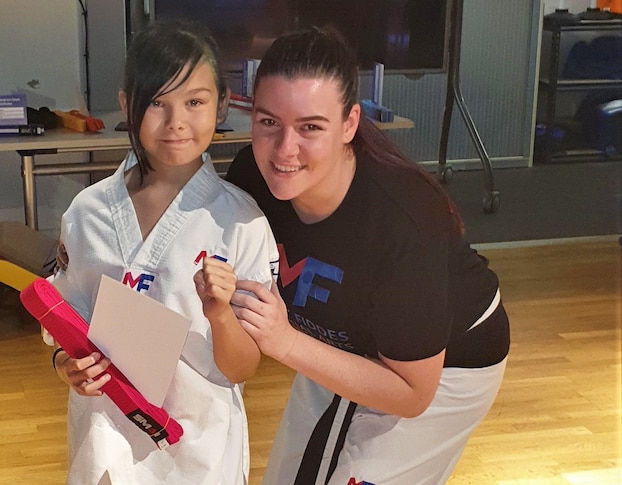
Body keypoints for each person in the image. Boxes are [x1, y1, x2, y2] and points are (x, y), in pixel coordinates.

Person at [225, 26, 510, 485]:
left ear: (350, 124)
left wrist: (285, 341)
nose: (284, 150)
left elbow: (412, 393)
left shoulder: (405, 223)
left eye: (310, 127)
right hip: (340, 338)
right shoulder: (250, 179)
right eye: (268, 122)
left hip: (441, 367)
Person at [47, 20, 279, 485]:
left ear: (223, 104)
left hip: (196, 448)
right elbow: (62, 324)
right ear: (126, 105)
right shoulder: (87, 213)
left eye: (195, 102)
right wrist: (64, 366)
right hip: (104, 438)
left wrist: (221, 315)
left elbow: (243, 367)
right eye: (156, 102)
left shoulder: (242, 223)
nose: (176, 122)